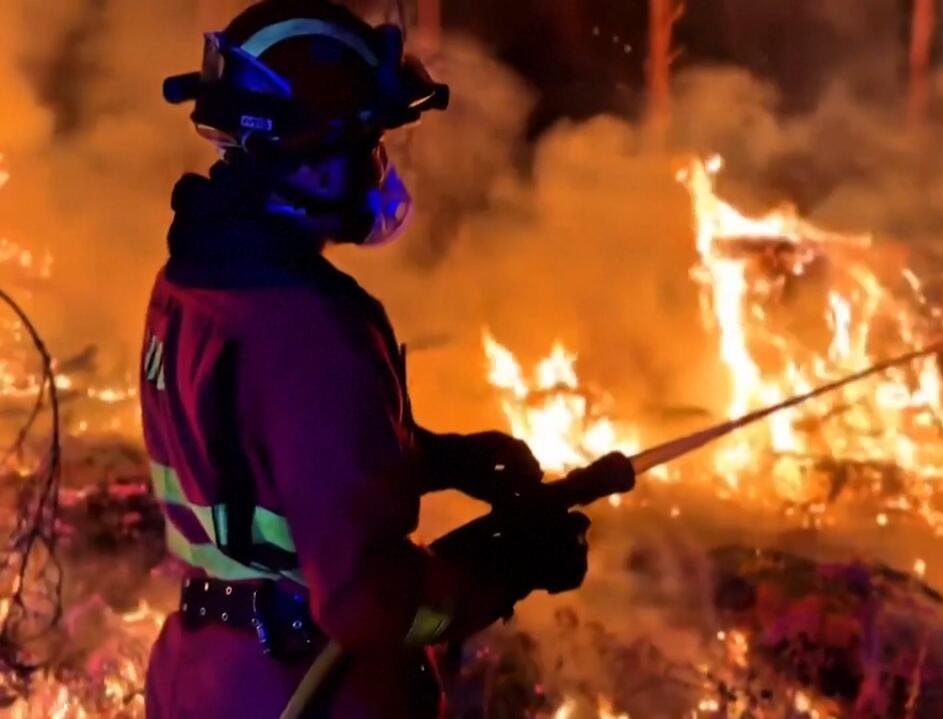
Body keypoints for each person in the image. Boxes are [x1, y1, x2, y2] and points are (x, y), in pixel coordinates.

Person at [144, 1, 633, 716]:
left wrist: (435, 459)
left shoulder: (191, 284)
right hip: (307, 688)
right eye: (368, 144)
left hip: (203, 672)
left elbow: (260, 460)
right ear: (308, 156)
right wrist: (502, 573)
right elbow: (365, 605)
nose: (381, 171)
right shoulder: (311, 325)